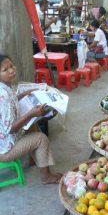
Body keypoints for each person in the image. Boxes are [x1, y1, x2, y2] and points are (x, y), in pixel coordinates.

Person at [0, 54, 62, 184]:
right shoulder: (3, 94)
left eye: (11, 66)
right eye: (5, 70)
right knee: (41, 139)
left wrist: (25, 94)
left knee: (33, 127)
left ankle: (35, 159)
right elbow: (10, 129)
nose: (11, 70)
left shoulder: (5, 86)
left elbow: (12, 101)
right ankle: (46, 177)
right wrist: (31, 114)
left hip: (4, 140)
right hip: (5, 150)